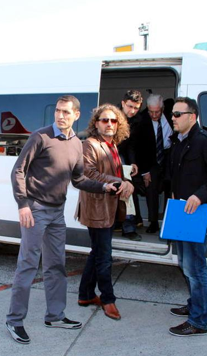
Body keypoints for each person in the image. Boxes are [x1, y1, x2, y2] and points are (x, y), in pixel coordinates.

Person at [6, 95, 120, 344]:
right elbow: (18, 170)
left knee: (56, 265)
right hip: (35, 209)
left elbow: (79, 180)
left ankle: (55, 315)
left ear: (76, 115)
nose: (60, 116)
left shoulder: (77, 144)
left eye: (66, 112)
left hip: (57, 211)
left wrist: (105, 187)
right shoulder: (41, 136)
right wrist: (23, 205)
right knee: (28, 264)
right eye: (58, 111)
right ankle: (14, 320)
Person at [167, 97, 207, 336]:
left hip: (197, 214)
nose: (172, 118)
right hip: (181, 213)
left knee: (196, 268)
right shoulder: (179, 141)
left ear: (192, 117)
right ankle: (195, 305)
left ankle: (199, 321)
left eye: (177, 114)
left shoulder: (205, 142)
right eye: (172, 114)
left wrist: (200, 195)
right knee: (185, 264)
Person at [76, 104, 134, 321]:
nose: (109, 124)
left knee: (97, 252)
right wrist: (120, 181)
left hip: (108, 207)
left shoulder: (112, 145)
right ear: (96, 123)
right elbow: (88, 173)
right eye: (104, 120)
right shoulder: (90, 144)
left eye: (113, 121)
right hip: (96, 207)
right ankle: (108, 299)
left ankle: (85, 295)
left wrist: (126, 174)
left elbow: (111, 171)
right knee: (104, 257)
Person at [135, 94, 173, 234]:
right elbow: (139, 149)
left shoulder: (171, 116)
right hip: (150, 159)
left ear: (162, 109)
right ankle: (153, 222)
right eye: (151, 111)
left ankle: (170, 223)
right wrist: (145, 172)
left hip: (168, 157)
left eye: (157, 112)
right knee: (151, 190)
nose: (154, 115)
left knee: (171, 190)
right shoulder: (142, 121)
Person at [117, 90, 144, 241]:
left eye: (136, 108)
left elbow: (131, 145)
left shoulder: (136, 120)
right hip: (106, 155)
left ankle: (128, 227)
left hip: (122, 155)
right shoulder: (110, 116)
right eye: (130, 106)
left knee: (127, 189)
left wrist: (132, 162)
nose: (132, 111)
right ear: (122, 103)